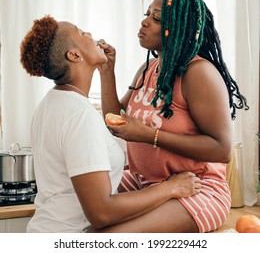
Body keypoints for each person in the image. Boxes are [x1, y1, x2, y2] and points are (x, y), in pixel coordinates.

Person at [20, 15, 201, 233]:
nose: (89, 34)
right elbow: (102, 213)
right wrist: (170, 188)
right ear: (75, 55)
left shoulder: (51, 103)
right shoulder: (80, 115)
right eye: (81, 32)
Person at [97, 0, 249, 233]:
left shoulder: (198, 73)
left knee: (110, 237)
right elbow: (115, 120)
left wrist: (149, 135)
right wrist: (107, 72)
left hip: (197, 188)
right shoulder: (148, 69)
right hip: (142, 182)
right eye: (146, 14)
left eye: (156, 18)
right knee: (82, 209)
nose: (145, 22)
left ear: (179, 28)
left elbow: (222, 150)